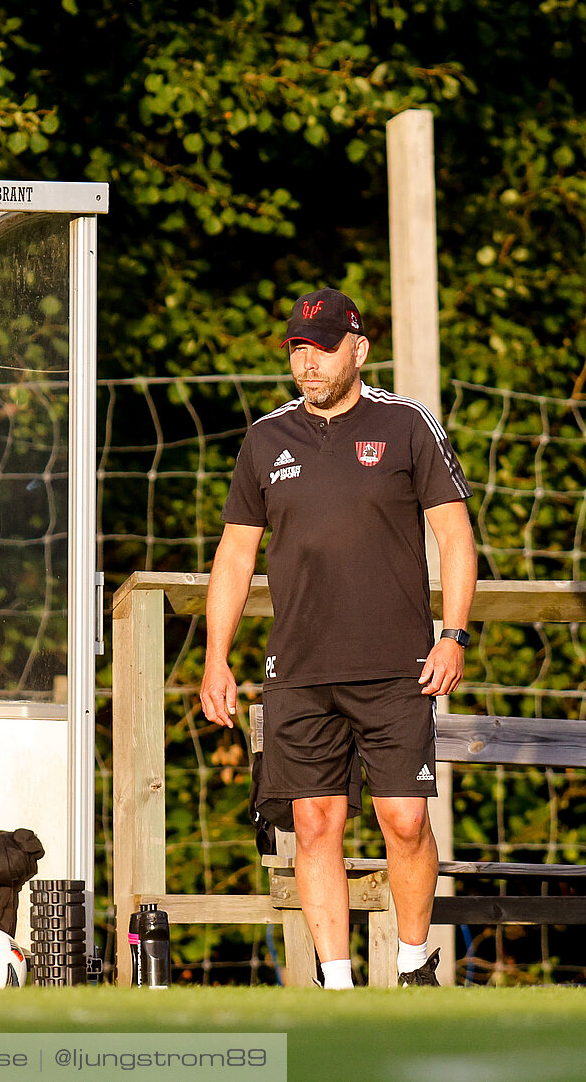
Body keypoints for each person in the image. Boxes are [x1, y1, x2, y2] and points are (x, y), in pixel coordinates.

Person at [199, 288, 477, 989]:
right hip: (298, 670)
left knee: (404, 820)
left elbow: (454, 535)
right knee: (316, 823)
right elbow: (234, 557)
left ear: (358, 348)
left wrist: (455, 635)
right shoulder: (267, 438)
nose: (307, 361)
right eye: (297, 347)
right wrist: (215, 658)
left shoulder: (409, 425)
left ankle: (414, 965)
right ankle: (339, 986)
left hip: (398, 667)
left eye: (321, 346)